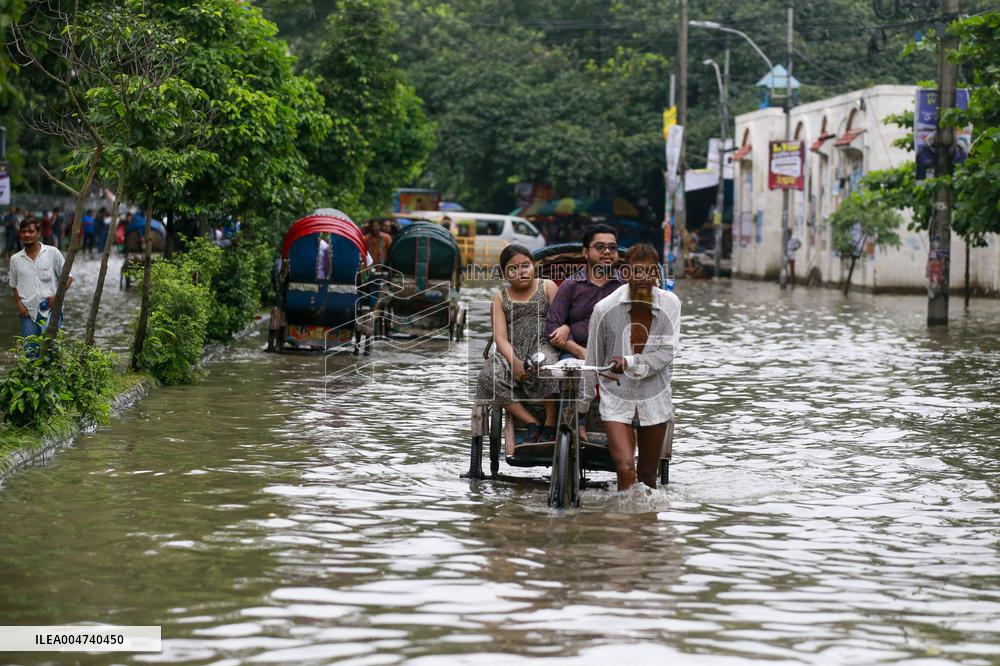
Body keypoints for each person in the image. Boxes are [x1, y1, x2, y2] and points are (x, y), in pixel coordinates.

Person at [579, 243, 681, 491]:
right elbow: (592, 360)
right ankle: (622, 515)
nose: (643, 278)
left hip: (655, 397)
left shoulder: (670, 304)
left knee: (647, 475)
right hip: (617, 396)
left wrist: (629, 362)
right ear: (626, 273)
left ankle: (645, 516)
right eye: (637, 271)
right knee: (625, 468)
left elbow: (667, 352)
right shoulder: (604, 309)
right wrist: (581, 412)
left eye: (649, 271)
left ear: (657, 273)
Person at [476, 244, 560, 443]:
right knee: (488, 375)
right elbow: (500, 338)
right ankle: (531, 422)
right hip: (512, 349)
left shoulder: (547, 286)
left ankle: (550, 422)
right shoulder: (499, 298)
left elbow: (560, 319)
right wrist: (514, 361)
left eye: (525, 266)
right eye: (513, 268)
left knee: (546, 365)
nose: (521, 272)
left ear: (533, 266)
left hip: (543, 344)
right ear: (504, 273)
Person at [544, 223, 625, 360]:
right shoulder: (571, 285)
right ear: (585, 253)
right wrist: (579, 351)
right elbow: (551, 328)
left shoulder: (625, 285)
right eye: (600, 247)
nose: (607, 251)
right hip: (576, 354)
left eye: (612, 247)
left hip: (618, 354)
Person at [10, 217, 72, 352]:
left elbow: (68, 278)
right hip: (28, 312)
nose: (27, 234)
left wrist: (57, 297)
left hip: (51, 309)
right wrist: (19, 305)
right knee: (30, 352)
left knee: (49, 348)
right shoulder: (15, 259)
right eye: (23, 231)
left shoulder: (52, 252)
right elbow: (14, 285)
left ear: (38, 233)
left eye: (31, 231)